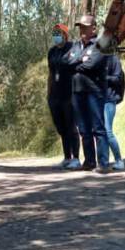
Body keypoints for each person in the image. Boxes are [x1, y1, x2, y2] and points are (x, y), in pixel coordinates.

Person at [66, 15, 111, 173]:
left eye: (85, 27)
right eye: (80, 27)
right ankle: (89, 162)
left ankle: (104, 163)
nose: (82, 30)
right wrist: (81, 59)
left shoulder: (100, 44)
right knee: (84, 129)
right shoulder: (76, 45)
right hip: (77, 92)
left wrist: (76, 62)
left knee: (98, 128)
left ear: (93, 28)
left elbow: (91, 65)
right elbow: (66, 63)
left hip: (94, 91)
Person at [47, 23, 81, 170]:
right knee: (61, 127)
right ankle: (66, 157)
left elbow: (76, 67)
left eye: (59, 33)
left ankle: (76, 158)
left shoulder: (72, 48)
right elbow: (50, 73)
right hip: (55, 95)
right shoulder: (52, 52)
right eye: (54, 33)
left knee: (71, 126)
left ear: (65, 35)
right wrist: (48, 94)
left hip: (69, 93)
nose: (56, 36)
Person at [102, 50, 125, 171]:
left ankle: (119, 160)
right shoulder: (96, 60)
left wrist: (103, 77)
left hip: (109, 99)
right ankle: (103, 162)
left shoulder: (114, 60)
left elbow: (117, 79)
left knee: (108, 131)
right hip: (97, 99)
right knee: (100, 132)